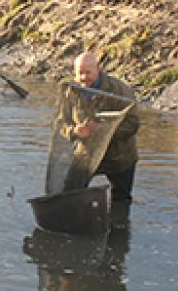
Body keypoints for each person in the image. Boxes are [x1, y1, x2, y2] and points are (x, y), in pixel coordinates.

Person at [57, 52, 140, 202]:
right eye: (79, 73)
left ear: (98, 69)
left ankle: (119, 224)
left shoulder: (119, 90)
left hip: (119, 156)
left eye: (88, 72)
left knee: (121, 199)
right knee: (69, 194)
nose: (83, 78)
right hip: (86, 154)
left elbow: (133, 124)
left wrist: (103, 130)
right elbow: (61, 124)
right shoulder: (70, 91)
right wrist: (75, 131)